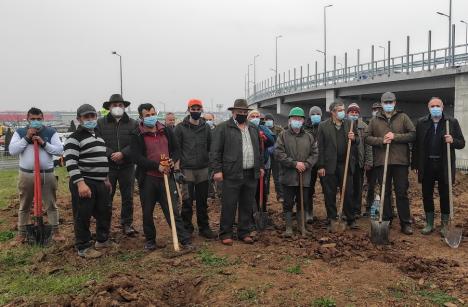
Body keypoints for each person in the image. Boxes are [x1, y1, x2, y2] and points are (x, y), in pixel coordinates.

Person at [130, 103, 193, 251]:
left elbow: (176, 149)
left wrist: (172, 160)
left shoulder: (165, 130)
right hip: (148, 178)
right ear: (141, 117)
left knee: (172, 209)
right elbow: (136, 157)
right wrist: (155, 166)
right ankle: (150, 240)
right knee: (147, 211)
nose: (151, 117)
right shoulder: (137, 134)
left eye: (153, 114)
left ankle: (184, 240)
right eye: (147, 115)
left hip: (166, 176)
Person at [211, 99, 264, 245]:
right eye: (239, 112)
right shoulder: (223, 128)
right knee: (229, 204)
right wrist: (217, 170)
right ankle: (225, 233)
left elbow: (258, 150)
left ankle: (244, 232)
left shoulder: (253, 128)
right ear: (233, 112)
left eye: (244, 112)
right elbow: (215, 151)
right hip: (231, 173)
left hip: (250, 173)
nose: (242, 114)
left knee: (247, 204)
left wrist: (260, 167)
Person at [64, 104, 114, 258]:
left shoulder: (98, 137)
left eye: (93, 116)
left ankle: (102, 240)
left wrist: (106, 179)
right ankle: (83, 246)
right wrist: (80, 183)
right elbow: (71, 162)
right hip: (85, 182)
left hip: (100, 182)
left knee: (104, 211)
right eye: (86, 117)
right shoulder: (74, 138)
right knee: (82, 215)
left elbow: (102, 159)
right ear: (79, 119)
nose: (90, 119)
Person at [9, 107, 65, 245]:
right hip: (27, 174)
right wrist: (27, 138)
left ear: (43, 119)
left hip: (47, 174)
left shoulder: (51, 132)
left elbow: (59, 150)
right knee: (25, 204)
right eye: (33, 119)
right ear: (27, 119)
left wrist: (44, 143)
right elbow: (12, 151)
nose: (35, 122)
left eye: (38, 119)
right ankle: (22, 233)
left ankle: (55, 231)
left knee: (50, 203)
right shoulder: (20, 132)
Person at [412, 97, 465, 236]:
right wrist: (416, 163)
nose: (435, 108)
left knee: (445, 195)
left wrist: (452, 140)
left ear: (442, 107)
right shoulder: (421, 123)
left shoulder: (451, 122)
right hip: (427, 164)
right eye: (432, 106)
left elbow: (462, 143)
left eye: (438, 105)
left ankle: (444, 224)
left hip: (444, 164)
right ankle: (429, 223)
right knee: (427, 194)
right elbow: (416, 145)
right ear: (428, 108)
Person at [366, 92, 416, 235]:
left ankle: (405, 222)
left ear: (395, 103)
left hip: (400, 162)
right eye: (386, 102)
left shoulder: (403, 117)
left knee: (401, 192)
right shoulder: (375, 120)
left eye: (391, 102)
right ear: (381, 104)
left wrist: (396, 137)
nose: (388, 104)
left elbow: (413, 134)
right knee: (385, 192)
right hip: (382, 162)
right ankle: (386, 219)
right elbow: (367, 138)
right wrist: (381, 140)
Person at [97, 94, 138, 236]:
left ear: (124, 107)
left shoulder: (133, 123)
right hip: (108, 166)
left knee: (128, 196)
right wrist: (111, 154)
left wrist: (123, 154)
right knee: (106, 196)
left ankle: (127, 223)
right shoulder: (100, 123)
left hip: (127, 165)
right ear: (109, 107)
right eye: (114, 105)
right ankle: (105, 225)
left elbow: (136, 143)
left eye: (120, 105)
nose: (118, 107)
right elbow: (98, 142)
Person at [175, 99, 215, 239]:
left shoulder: (206, 128)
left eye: (198, 109)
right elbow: (176, 149)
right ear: (188, 109)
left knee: (202, 200)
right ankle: (186, 228)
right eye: (193, 109)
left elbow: (211, 148)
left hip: (203, 169)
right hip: (187, 170)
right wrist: (177, 169)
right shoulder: (180, 128)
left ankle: (204, 227)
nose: (196, 111)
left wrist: (211, 166)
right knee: (187, 200)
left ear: (201, 110)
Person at [275, 107, 318, 237]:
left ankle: (301, 227)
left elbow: (315, 153)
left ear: (303, 121)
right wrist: (294, 164)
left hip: (304, 176)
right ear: (289, 120)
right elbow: (278, 153)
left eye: (299, 119)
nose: (297, 121)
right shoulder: (283, 135)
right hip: (288, 177)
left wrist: (306, 164)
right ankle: (288, 228)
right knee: (288, 202)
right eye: (294, 119)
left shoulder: (309, 137)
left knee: (303, 202)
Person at [317, 101, 359, 230]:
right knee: (330, 193)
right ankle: (332, 218)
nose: (342, 112)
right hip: (330, 165)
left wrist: (354, 138)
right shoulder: (323, 126)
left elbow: (357, 141)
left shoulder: (350, 124)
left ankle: (350, 218)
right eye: (339, 110)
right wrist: (321, 166)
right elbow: (320, 147)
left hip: (345, 164)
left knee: (347, 192)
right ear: (333, 112)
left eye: (343, 109)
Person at [346, 103, 373, 218]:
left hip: (359, 161)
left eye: (356, 112)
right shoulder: (343, 125)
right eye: (352, 112)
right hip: (347, 162)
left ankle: (357, 210)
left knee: (358, 187)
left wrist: (368, 161)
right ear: (347, 113)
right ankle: (347, 210)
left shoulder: (364, 127)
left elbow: (368, 146)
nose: (354, 114)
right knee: (348, 187)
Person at [247, 110, 274, 214]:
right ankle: (250, 212)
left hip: (262, 163)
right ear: (248, 118)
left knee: (262, 188)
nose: (255, 118)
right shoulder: (245, 128)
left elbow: (272, 140)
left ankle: (262, 210)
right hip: (249, 164)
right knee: (250, 189)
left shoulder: (263, 127)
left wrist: (265, 138)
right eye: (252, 116)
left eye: (257, 116)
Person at [303, 106, 322, 223]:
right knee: (309, 189)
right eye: (313, 114)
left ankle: (331, 215)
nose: (315, 115)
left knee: (328, 189)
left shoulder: (324, 127)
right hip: (310, 163)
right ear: (310, 115)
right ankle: (308, 212)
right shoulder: (305, 128)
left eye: (318, 114)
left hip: (322, 163)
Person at [364, 102, 383, 216]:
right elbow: (368, 144)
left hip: (382, 160)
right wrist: (368, 161)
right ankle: (369, 207)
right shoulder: (369, 125)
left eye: (378, 109)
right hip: (372, 162)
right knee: (371, 186)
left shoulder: (384, 124)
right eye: (374, 109)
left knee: (384, 185)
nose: (376, 111)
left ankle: (386, 207)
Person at [264, 113, 284, 202]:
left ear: (273, 121)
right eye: (267, 120)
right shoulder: (262, 129)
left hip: (276, 156)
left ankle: (280, 195)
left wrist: (275, 147)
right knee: (266, 177)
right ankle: (266, 196)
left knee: (277, 177)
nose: (268, 121)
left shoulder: (278, 129)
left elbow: (283, 140)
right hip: (266, 156)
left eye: (270, 120)